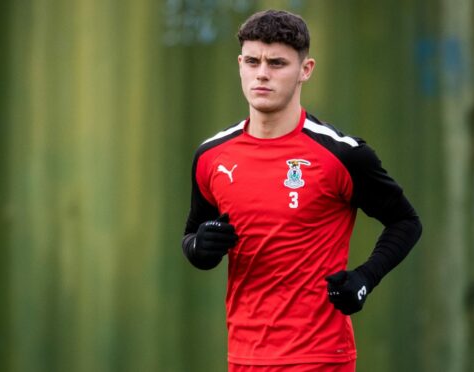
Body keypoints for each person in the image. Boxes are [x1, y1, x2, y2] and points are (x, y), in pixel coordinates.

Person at [181, 9, 422, 372]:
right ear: (240, 64)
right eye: (252, 61)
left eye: (277, 63)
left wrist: (364, 279)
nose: (262, 73)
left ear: (305, 70)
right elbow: (192, 240)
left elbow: (406, 222)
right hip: (244, 357)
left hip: (319, 356)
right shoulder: (211, 156)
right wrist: (201, 246)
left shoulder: (340, 155)